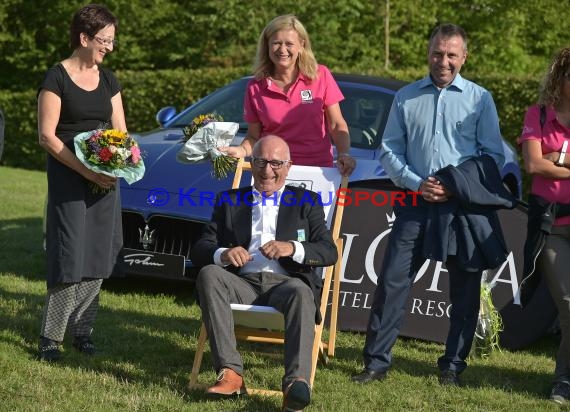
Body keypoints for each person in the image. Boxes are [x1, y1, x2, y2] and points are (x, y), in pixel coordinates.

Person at [351, 23, 511, 386]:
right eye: (438, 53)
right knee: (392, 282)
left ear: (464, 57)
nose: (444, 61)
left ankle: (452, 366)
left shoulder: (479, 98)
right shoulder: (406, 97)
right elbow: (388, 150)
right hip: (415, 204)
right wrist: (416, 183)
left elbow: (492, 156)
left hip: (462, 210)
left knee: (465, 293)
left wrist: (455, 186)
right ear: (428, 54)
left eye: (452, 54)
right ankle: (376, 362)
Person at [191, 135, 337, 411]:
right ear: (251, 162)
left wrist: (292, 248)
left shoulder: (306, 201)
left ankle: (296, 384)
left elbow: (328, 251)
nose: (267, 169)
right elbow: (200, 247)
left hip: (287, 284)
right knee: (209, 273)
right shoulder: (230, 200)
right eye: (260, 161)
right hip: (241, 281)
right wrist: (223, 253)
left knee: (301, 292)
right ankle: (230, 373)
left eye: (275, 163)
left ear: (289, 165)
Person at [37, 4, 125, 361]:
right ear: (84, 37)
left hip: (105, 178)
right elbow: (47, 136)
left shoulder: (109, 80)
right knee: (70, 254)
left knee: (99, 254)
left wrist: (118, 164)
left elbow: (121, 133)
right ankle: (50, 337)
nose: (109, 47)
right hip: (70, 176)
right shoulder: (56, 77)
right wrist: (87, 171)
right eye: (104, 40)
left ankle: (83, 331)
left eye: (113, 41)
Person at [222, 14, 356, 176]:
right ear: (267, 46)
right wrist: (241, 150)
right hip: (270, 172)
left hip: (317, 171)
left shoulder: (321, 75)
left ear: (301, 45)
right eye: (276, 43)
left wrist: (344, 154)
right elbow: (253, 137)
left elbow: (336, 125)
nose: (282, 50)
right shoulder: (255, 86)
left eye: (289, 44)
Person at [519, 47, 570, 405]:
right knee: (569, 304)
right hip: (553, 224)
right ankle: (564, 381)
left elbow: (546, 160)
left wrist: (558, 157)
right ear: (560, 77)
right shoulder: (538, 114)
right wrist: (555, 158)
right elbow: (534, 166)